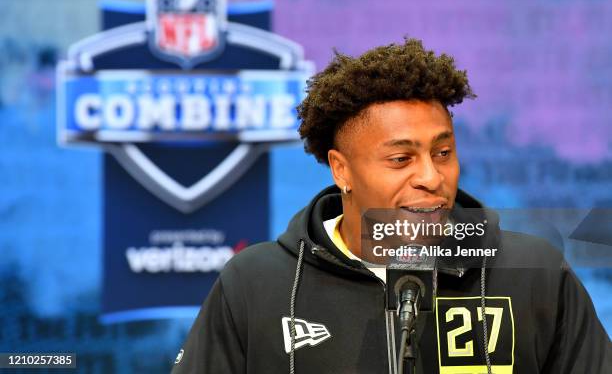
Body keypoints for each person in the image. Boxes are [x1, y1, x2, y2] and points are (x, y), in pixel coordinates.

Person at [172, 38, 612, 373]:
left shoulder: (535, 272)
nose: (431, 177)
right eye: (401, 159)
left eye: (443, 153)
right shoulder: (255, 284)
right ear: (341, 170)